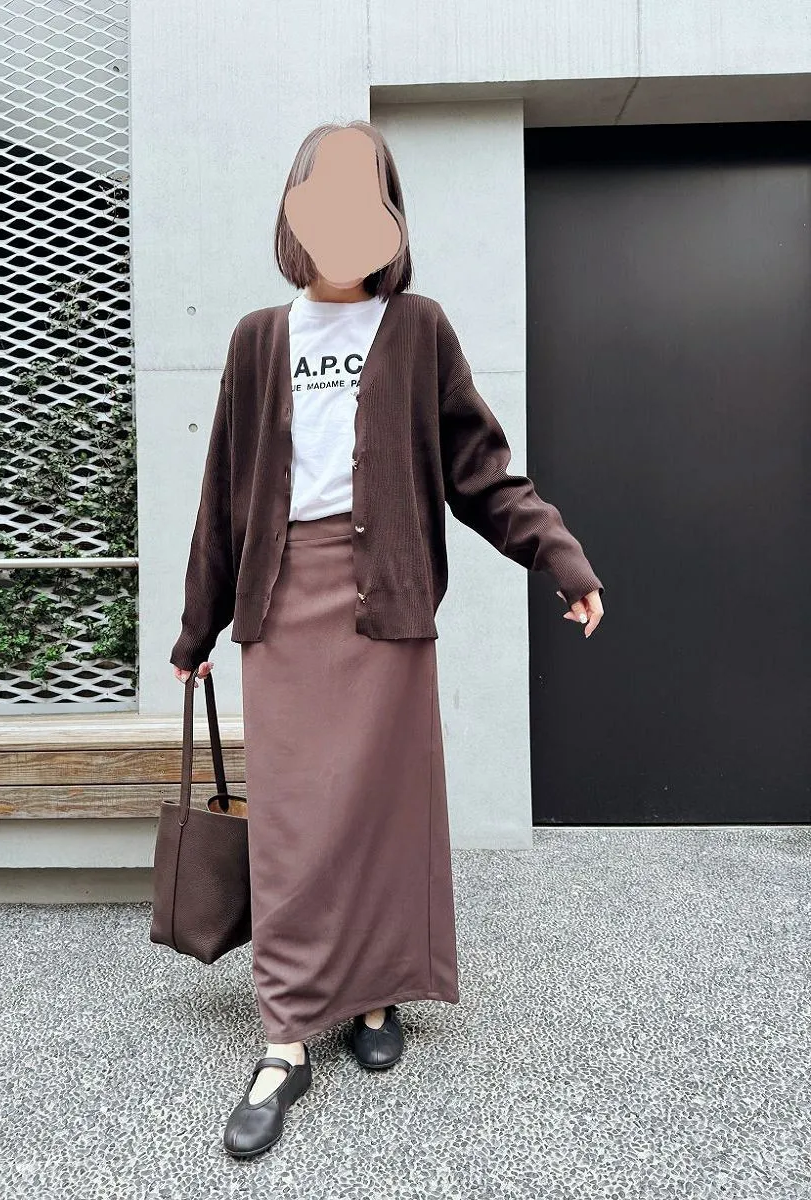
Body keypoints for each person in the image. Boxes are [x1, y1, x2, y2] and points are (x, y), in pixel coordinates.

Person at [170, 120, 605, 1160]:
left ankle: (374, 996)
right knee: (291, 825)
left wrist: (559, 555)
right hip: (283, 606)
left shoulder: (418, 329)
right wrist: (196, 627)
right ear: (293, 215)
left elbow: (481, 471)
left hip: (389, 604)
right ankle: (284, 1040)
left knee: (380, 813)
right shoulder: (257, 340)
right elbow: (224, 498)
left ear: (390, 219)